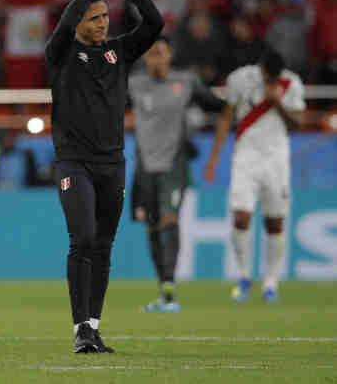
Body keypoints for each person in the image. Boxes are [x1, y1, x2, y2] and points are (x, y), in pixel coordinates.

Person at [46, 0, 162, 354]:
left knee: (104, 245)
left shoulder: (119, 53)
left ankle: (93, 326)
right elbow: (63, 24)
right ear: (78, 19)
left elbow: (153, 23)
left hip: (112, 163)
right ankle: (80, 328)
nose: (101, 23)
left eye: (105, 17)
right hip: (72, 163)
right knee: (83, 237)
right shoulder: (60, 54)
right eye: (94, 17)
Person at [129, 37, 224, 312]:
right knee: (152, 227)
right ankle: (163, 289)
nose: (157, 57)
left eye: (161, 52)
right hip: (145, 166)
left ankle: (169, 286)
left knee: (170, 220)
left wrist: (239, 107)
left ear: (170, 56)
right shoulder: (133, 83)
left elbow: (218, 105)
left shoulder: (186, 82)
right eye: (152, 53)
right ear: (145, 59)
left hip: (174, 164)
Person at [203, 48, 304, 303]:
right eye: (268, 77)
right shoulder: (240, 79)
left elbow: (298, 123)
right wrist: (214, 157)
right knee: (241, 216)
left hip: (276, 159)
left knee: (275, 222)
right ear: (261, 70)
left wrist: (278, 102)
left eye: (274, 78)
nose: (271, 82)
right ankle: (244, 276)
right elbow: (226, 117)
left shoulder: (291, 83)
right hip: (245, 157)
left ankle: (271, 282)